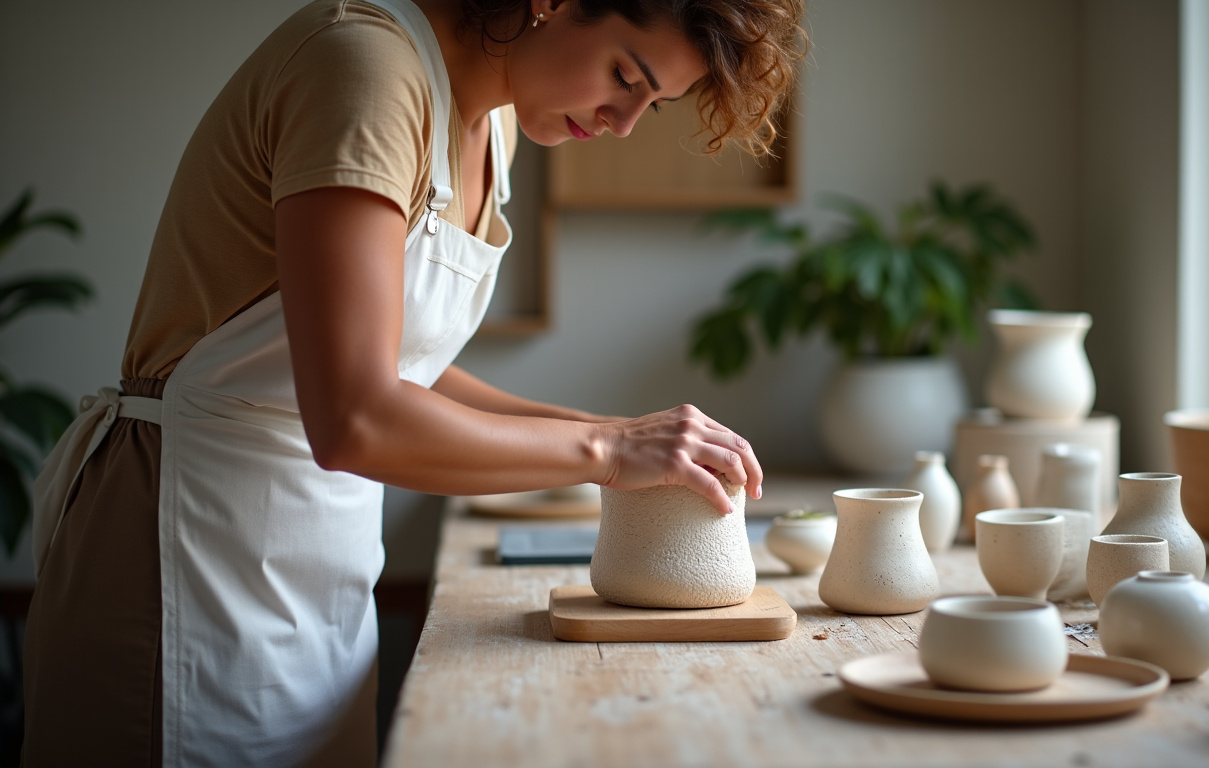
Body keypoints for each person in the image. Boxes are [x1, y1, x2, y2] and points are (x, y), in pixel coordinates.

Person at [21, 0, 805, 766]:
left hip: (321, 576)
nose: (623, 122)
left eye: (653, 104)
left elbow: (405, 369)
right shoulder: (362, 70)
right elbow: (355, 417)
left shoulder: (494, 120)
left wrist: (617, 435)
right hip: (184, 558)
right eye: (625, 76)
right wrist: (605, 449)